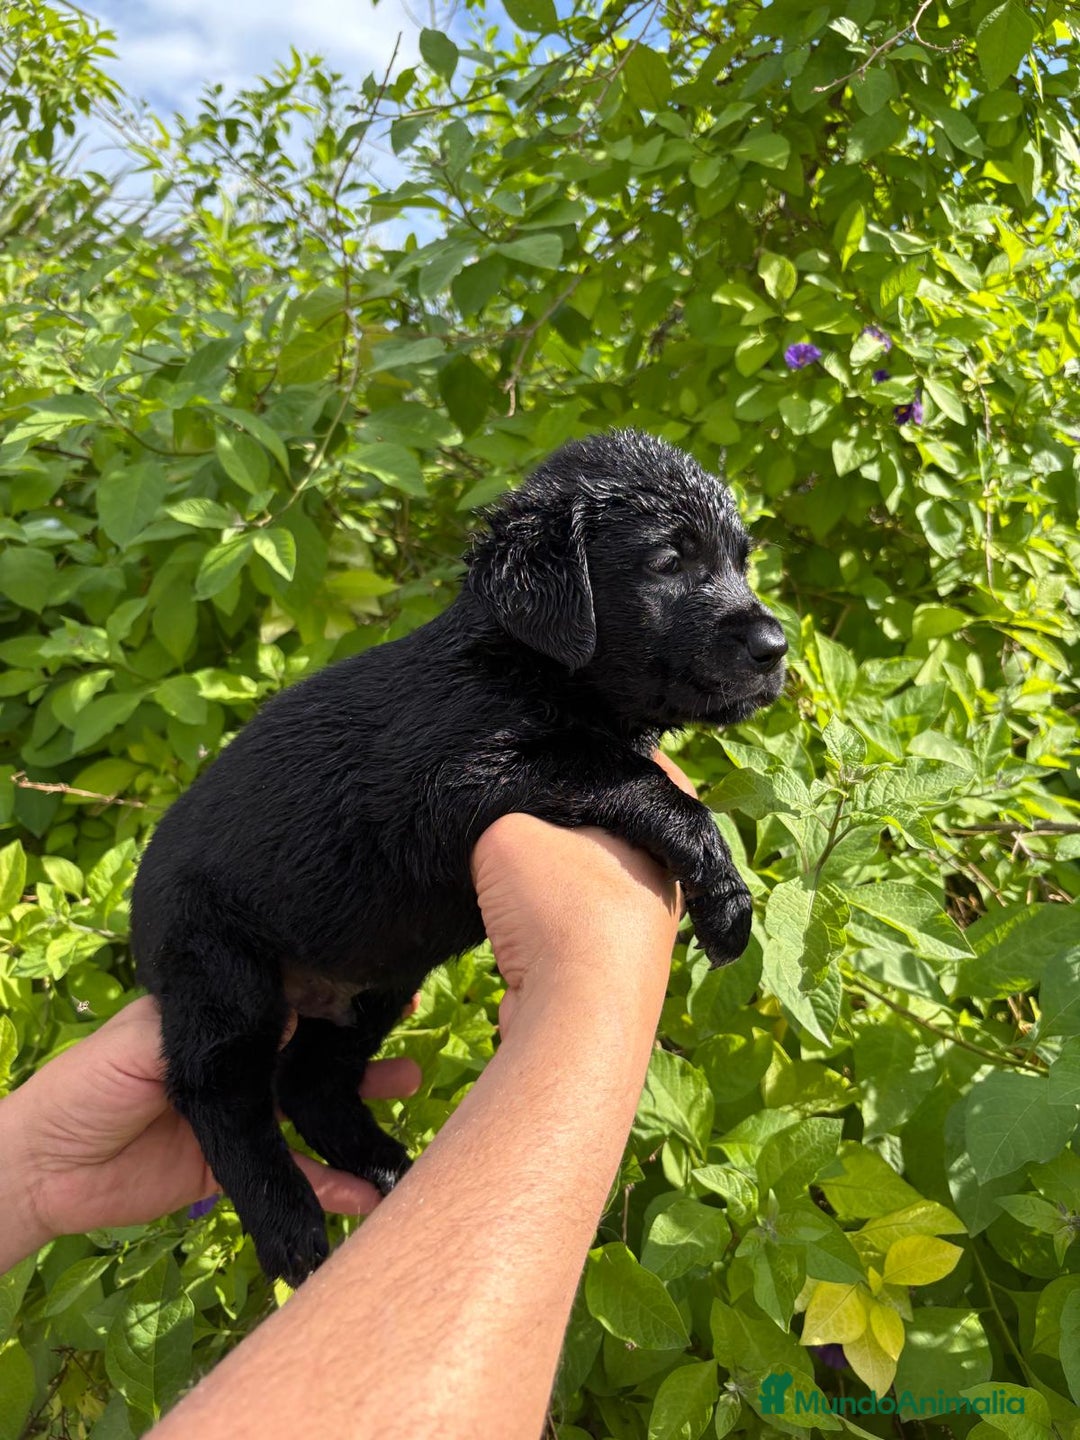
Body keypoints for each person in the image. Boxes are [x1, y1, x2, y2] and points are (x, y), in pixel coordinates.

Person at [0, 763, 691, 1438]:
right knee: (236, 1042)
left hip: (320, 927)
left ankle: (321, 1101)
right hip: (242, 916)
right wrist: (588, 998)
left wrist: (30, 1170)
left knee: (336, 1033)